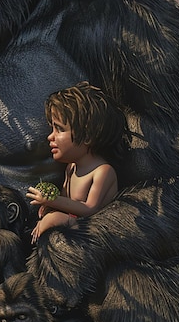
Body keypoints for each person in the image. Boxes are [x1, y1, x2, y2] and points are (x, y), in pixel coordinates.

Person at [27, 82, 126, 242]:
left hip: (94, 232)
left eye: (59, 129)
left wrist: (53, 205)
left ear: (87, 135)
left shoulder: (102, 171)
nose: (50, 136)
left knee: (55, 219)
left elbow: (90, 209)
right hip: (74, 226)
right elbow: (67, 200)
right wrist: (52, 206)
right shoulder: (71, 168)